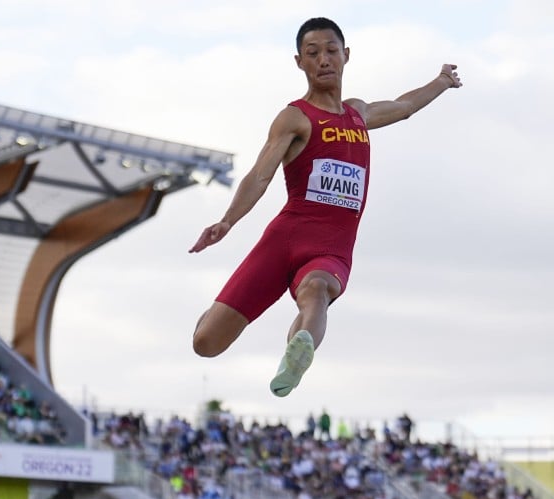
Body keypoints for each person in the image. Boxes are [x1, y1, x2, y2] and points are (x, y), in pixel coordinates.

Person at [190, 16, 462, 396]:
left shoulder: (358, 114)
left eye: (331, 51)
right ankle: (248, 326)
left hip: (332, 247)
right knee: (206, 342)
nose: (323, 60)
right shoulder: (295, 117)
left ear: (346, 55)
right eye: (312, 53)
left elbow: (403, 106)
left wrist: (442, 81)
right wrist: (227, 221)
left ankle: (296, 355)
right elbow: (260, 175)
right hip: (284, 239)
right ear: (299, 62)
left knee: (317, 290)